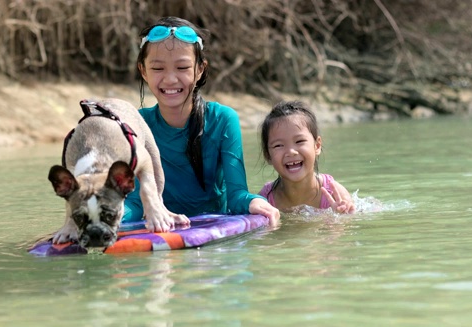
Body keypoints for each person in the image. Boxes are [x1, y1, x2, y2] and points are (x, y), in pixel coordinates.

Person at [122, 16, 280, 225]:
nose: (170, 79)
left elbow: (237, 195)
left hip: (214, 234)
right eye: (158, 69)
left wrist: (255, 203)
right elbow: (136, 202)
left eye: (182, 67)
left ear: (200, 69)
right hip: (163, 229)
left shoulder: (223, 119)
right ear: (143, 71)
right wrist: (110, 216)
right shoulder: (137, 124)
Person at [258, 100, 355, 213]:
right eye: (279, 145)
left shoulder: (335, 194)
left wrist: (340, 219)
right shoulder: (265, 200)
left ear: (317, 146)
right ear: (267, 155)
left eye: (299, 141)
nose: (291, 152)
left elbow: (348, 226)